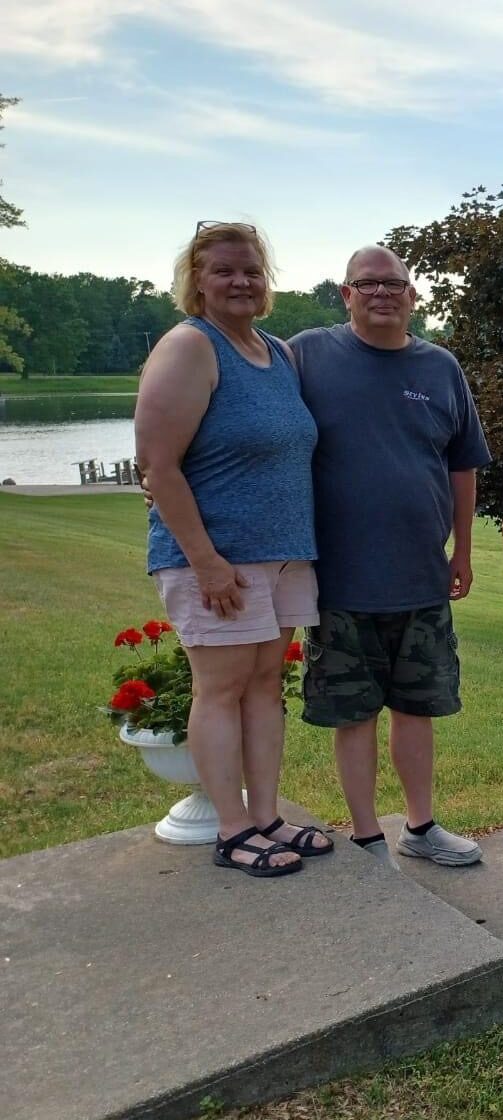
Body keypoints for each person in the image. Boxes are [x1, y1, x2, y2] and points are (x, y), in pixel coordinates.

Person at [136, 221, 329, 876]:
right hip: (217, 560)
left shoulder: (275, 352)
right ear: (197, 281)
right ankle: (232, 829)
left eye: (250, 269)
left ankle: (267, 816)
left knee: (265, 685)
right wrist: (207, 562)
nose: (241, 281)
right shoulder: (190, 348)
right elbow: (158, 468)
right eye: (223, 270)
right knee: (220, 688)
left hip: (281, 555)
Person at [292, 246, 492, 869]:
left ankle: (420, 826)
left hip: (421, 577)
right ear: (346, 294)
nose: (383, 292)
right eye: (367, 283)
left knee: (417, 708)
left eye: (395, 284)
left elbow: (463, 464)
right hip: (340, 580)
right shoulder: (306, 355)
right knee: (354, 714)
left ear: (412, 296)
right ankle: (366, 837)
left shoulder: (440, 367)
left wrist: (461, 548)